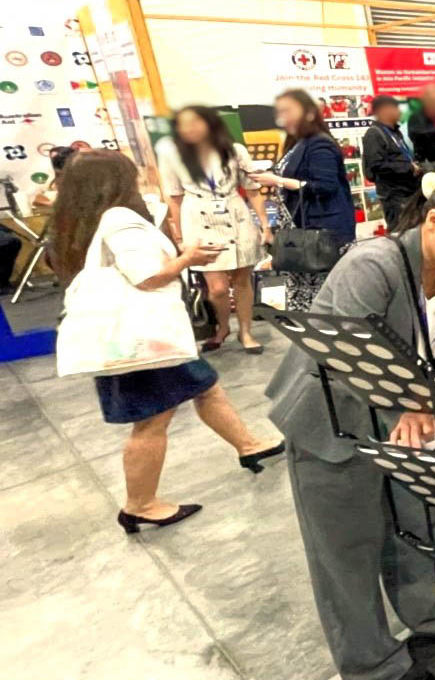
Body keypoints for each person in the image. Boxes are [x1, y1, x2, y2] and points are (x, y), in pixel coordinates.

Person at [266, 171, 435, 680]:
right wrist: (412, 399)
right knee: (346, 551)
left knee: (416, 523)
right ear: (433, 220)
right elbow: (348, 356)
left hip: (401, 423)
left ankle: (426, 615)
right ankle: (370, 666)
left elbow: (434, 344)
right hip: (333, 424)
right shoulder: (372, 265)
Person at [53, 151, 284, 533]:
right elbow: (147, 277)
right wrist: (188, 256)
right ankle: (140, 504)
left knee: (206, 387)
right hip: (144, 342)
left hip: (139, 339)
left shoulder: (82, 223)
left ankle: (249, 445)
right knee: (152, 421)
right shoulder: (119, 219)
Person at [156, 105, 271, 354]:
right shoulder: (171, 154)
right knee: (217, 287)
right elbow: (173, 196)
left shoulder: (234, 150)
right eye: (184, 124)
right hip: (197, 216)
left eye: (195, 122)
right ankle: (222, 327)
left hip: (235, 213)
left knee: (242, 279)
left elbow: (251, 187)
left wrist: (264, 223)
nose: (190, 128)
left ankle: (246, 330)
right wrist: (179, 236)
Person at [250, 89, 358, 310]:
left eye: (289, 111)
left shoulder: (319, 143)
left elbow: (325, 186)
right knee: (303, 289)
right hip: (299, 228)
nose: (283, 117)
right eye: (281, 112)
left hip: (322, 232)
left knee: (325, 293)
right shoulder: (297, 142)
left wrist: (278, 181)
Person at [362, 95, 421, 228]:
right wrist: (408, 168)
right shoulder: (374, 134)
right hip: (394, 196)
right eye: (396, 108)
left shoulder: (395, 133)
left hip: (409, 192)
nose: (399, 112)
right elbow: (376, 166)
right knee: (401, 233)